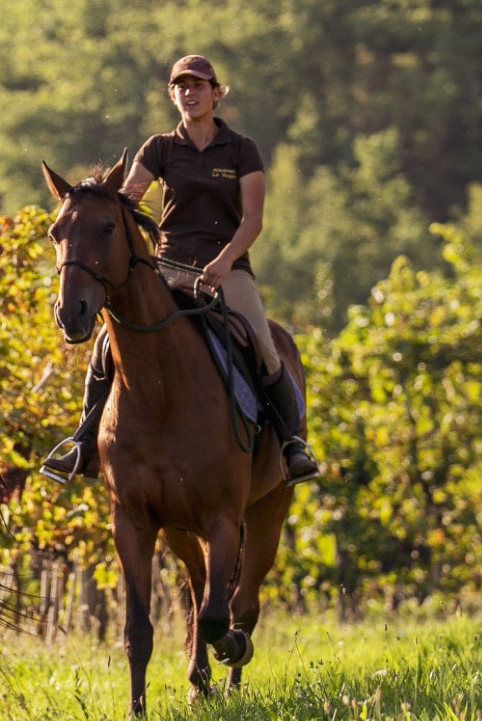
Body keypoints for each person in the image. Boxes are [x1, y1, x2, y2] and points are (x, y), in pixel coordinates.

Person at [42, 53, 319, 485]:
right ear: (173, 95)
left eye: (198, 86)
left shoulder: (242, 150)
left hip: (228, 268)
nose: (190, 94)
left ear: (216, 93)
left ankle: (290, 443)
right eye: (181, 87)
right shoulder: (160, 148)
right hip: (167, 267)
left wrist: (225, 261)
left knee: (264, 345)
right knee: (103, 346)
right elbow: (126, 199)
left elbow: (253, 220)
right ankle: (83, 441)